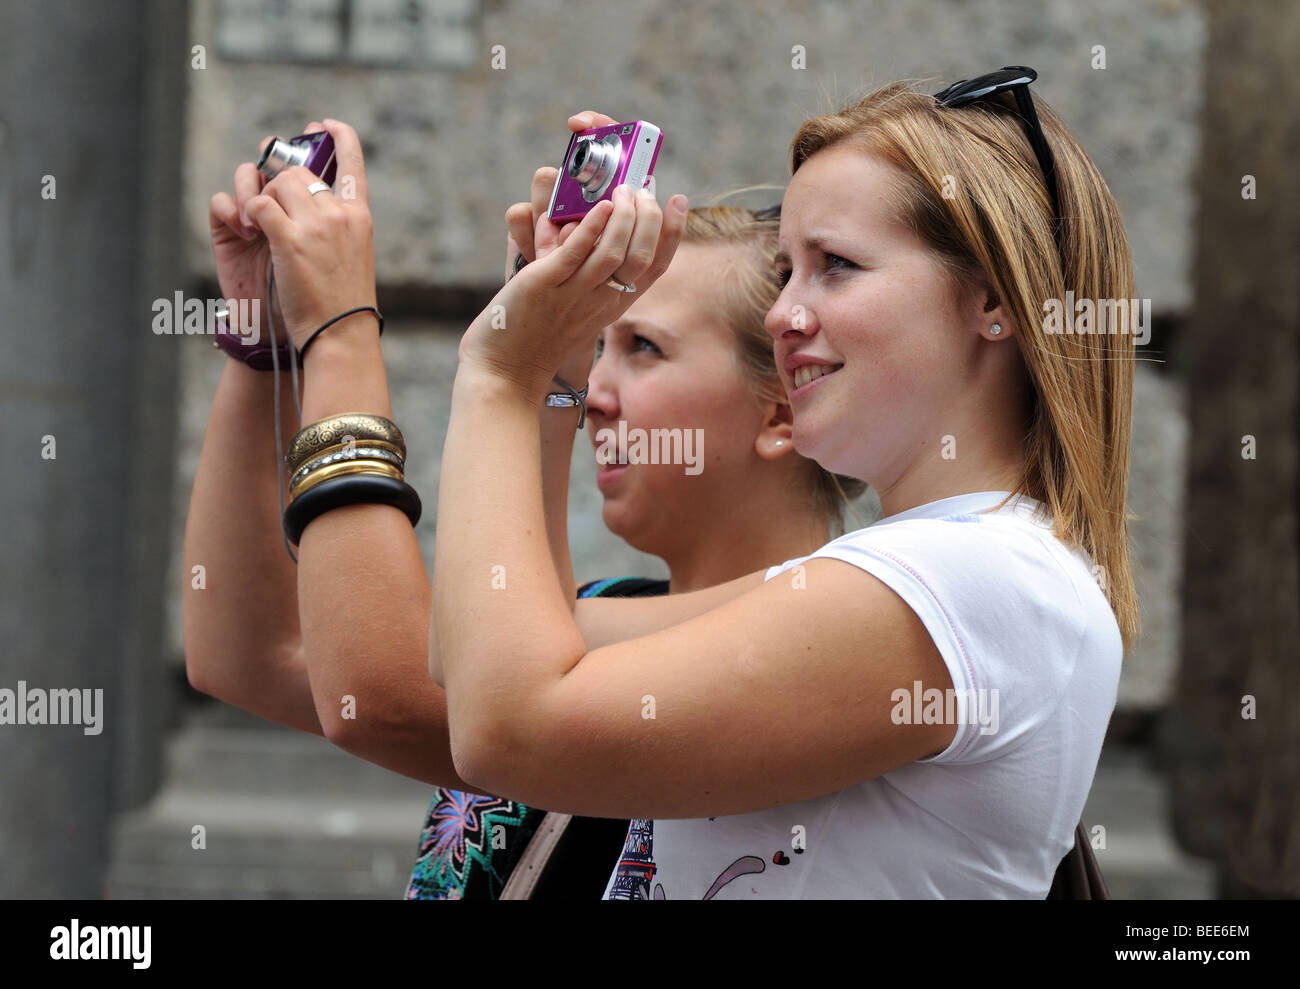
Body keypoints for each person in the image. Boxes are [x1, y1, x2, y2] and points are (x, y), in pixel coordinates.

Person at [417, 73, 1139, 898]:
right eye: (789, 269)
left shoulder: (978, 577)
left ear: (994, 300)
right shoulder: (938, 567)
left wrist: (498, 374)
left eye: (835, 265)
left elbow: (508, 729)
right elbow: (475, 651)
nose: (782, 313)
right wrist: (551, 368)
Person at [183, 116, 861, 899]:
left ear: (781, 412)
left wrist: (337, 332)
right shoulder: (599, 613)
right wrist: (263, 340)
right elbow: (248, 654)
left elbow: (375, 694)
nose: (594, 398)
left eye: (643, 348)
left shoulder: (830, 616)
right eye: (594, 349)